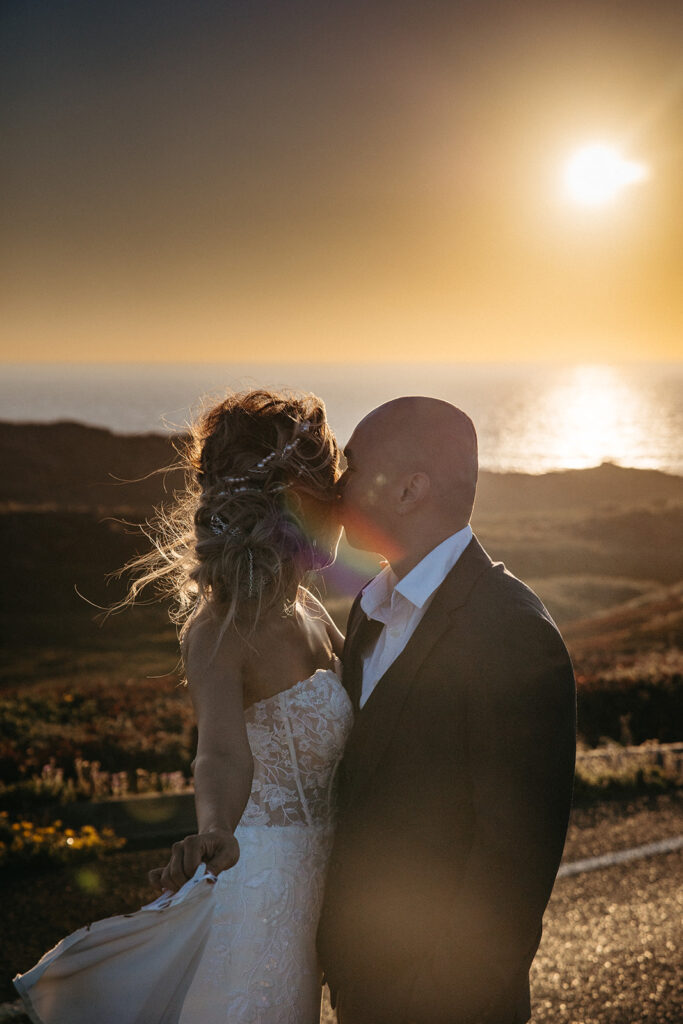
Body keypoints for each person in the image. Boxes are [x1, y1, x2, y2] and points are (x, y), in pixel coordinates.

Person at [13, 389, 353, 1024]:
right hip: (263, 882)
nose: (343, 508)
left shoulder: (310, 612)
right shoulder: (219, 629)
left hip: (322, 879)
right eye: (328, 495)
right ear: (288, 508)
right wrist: (215, 827)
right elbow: (220, 752)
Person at [317, 396, 576, 1024]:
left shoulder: (511, 632)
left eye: (351, 464)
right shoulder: (367, 607)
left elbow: (511, 867)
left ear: (409, 490)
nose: (336, 480)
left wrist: (434, 999)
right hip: (361, 989)